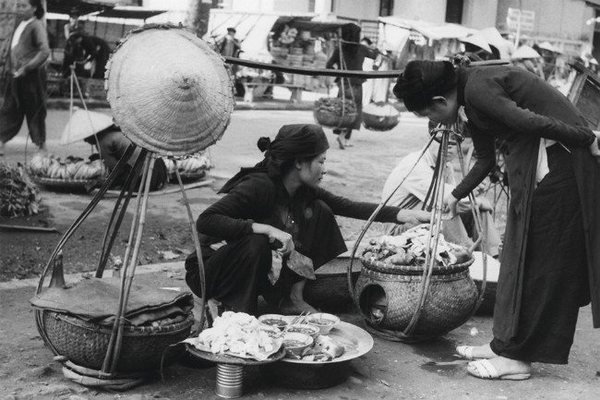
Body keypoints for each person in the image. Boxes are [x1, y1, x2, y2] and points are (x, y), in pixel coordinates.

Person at [392, 60, 600, 380]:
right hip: (535, 171)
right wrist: (455, 195)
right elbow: (486, 158)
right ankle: (503, 344)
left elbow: (529, 122)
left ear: (439, 102)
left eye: (428, 115)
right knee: (514, 258)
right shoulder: (471, 99)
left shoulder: (478, 88)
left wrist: (585, 136)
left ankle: (518, 358)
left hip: (561, 170)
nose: (432, 121)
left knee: (540, 263)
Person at [184, 124, 430, 317]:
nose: (324, 169)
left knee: (321, 210)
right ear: (299, 162)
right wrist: (265, 228)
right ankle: (238, 313)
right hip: (211, 273)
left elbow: (346, 205)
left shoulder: (301, 189)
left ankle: (293, 297)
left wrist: (403, 214)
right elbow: (206, 221)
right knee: (256, 241)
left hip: (255, 267)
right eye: (321, 161)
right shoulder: (258, 186)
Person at [381, 136, 501, 257]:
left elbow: (456, 201)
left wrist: (473, 196)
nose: (448, 146)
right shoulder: (415, 164)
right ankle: (466, 255)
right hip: (399, 230)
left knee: (478, 211)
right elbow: (448, 202)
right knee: (444, 209)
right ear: (430, 138)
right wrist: (477, 200)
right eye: (442, 140)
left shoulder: (446, 166)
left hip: (427, 221)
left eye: (454, 143)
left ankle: (493, 256)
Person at [0, 0, 49, 156]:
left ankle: (41, 145)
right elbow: (12, 48)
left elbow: (44, 51)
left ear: (34, 8)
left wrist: (27, 67)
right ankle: (1, 140)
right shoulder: (19, 23)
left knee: (34, 109)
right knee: (9, 107)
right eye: (18, 6)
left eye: (24, 6)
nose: (20, 9)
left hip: (31, 78)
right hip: (15, 76)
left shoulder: (36, 25)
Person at [326, 24, 377, 149]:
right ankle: (344, 137)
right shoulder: (362, 48)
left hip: (343, 83)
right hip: (357, 84)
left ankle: (344, 137)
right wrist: (375, 49)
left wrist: (338, 72)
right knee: (354, 111)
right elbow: (374, 56)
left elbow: (329, 65)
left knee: (344, 110)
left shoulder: (340, 49)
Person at [83, 123, 167, 191]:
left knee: (116, 181)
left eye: (86, 138)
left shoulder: (103, 142)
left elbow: (116, 170)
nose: (86, 141)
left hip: (148, 177)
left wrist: (100, 183)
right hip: (160, 171)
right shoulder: (120, 132)